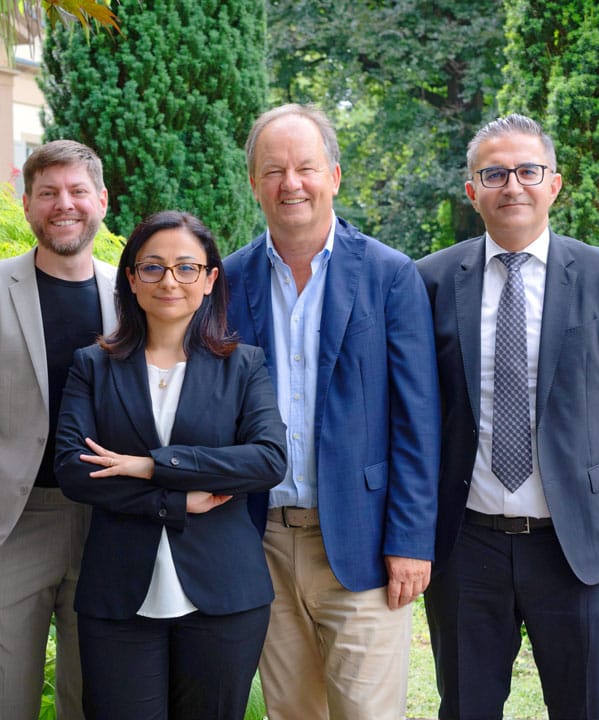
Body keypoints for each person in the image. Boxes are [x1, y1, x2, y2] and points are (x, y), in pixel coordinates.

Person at [416, 113, 599, 719]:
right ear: (472, 189)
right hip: (466, 543)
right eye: (495, 173)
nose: (513, 186)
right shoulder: (428, 280)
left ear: (554, 184)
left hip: (574, 547)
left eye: (528, 171)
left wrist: (588, 478)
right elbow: (418, 408)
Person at [223, 103, 441, 720]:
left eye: (305, 167)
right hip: (259, 541)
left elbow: (417, 421)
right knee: (292, 713)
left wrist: (410, 540)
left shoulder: (389, 275)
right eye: (274, 170)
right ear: (254, 183)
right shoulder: (226, 281)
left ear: (335, 176)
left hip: (363, 543)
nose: (291, 183)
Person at [54, 210, 287, 719]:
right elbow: (74, 469)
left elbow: (268, 460)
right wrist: (177, 499)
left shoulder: (243, 365)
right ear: (132, 279)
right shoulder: (93, 366)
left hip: (225, 596)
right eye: (153, 267)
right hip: (119, 597)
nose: (170, 280)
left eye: (186, 267)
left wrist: (151, 465)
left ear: (209, 280)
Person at [0, 139, 116, 720]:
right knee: (4, 704)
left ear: (102, 201)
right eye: (48, 193)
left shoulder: (132, 292)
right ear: (27, 205)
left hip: (108, 527)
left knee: (93, 700)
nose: (64, 204)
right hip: (10, 525)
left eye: (77, 191)